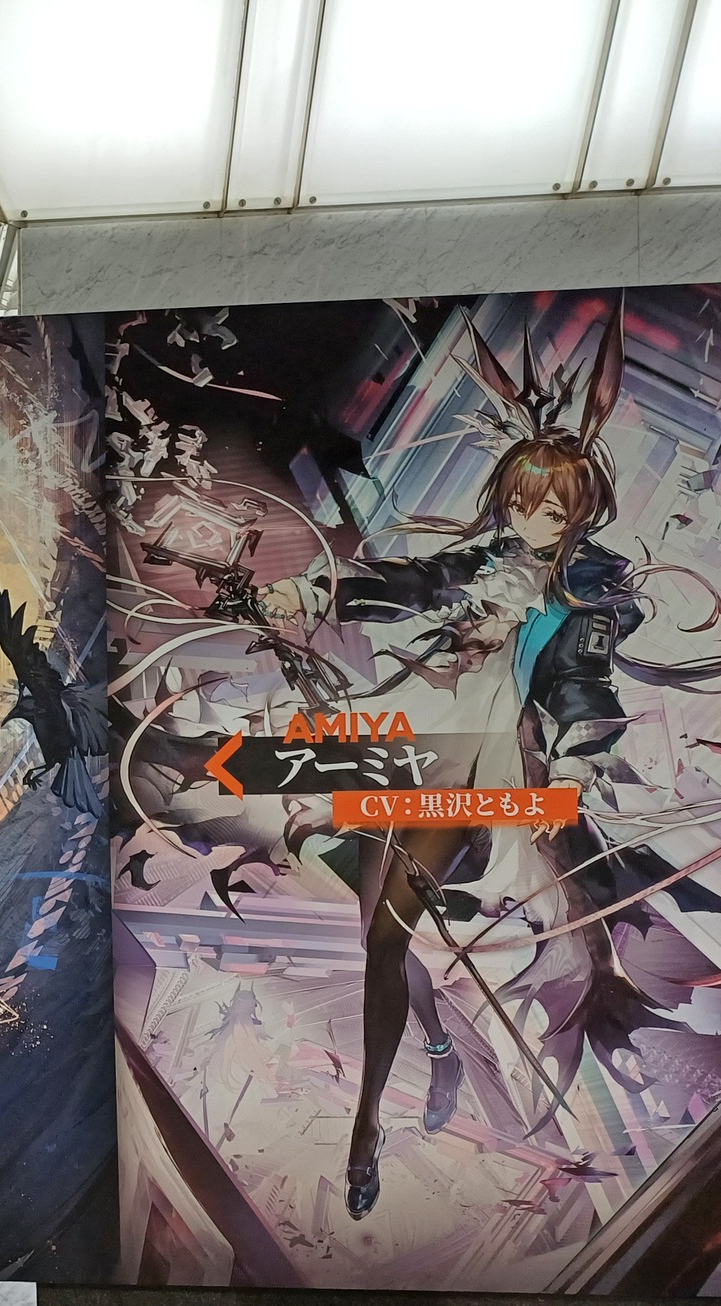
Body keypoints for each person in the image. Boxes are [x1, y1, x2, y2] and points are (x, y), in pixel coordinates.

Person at [258, 312, 678, 1218]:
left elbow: (583, 687)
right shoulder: (487, 557)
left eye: (552, 510)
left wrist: (573, 770)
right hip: (408, 739)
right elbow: (410, 582)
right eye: (522, 504)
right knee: (375, 937)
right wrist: (314, 588)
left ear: (581, 513)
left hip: (475, 763)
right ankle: (443, 1051)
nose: (532, 521)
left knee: (384, 941)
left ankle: (365, 1127)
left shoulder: (586, 591)